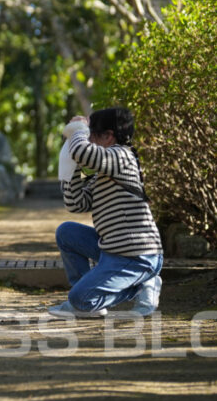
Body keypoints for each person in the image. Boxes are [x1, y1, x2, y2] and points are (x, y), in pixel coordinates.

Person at [49, 106, 164, 317]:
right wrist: (72, 168)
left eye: (90, 134)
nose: (87, 139)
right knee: (66, 232)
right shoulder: (103, 173)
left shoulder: (121, 156)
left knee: (79, 298)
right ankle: (88, 303)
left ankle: (140, 284)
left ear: (109, 137)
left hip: (137, 254)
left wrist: (77, 129)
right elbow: (76, 203)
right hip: (113, 249)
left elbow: (82, 151)